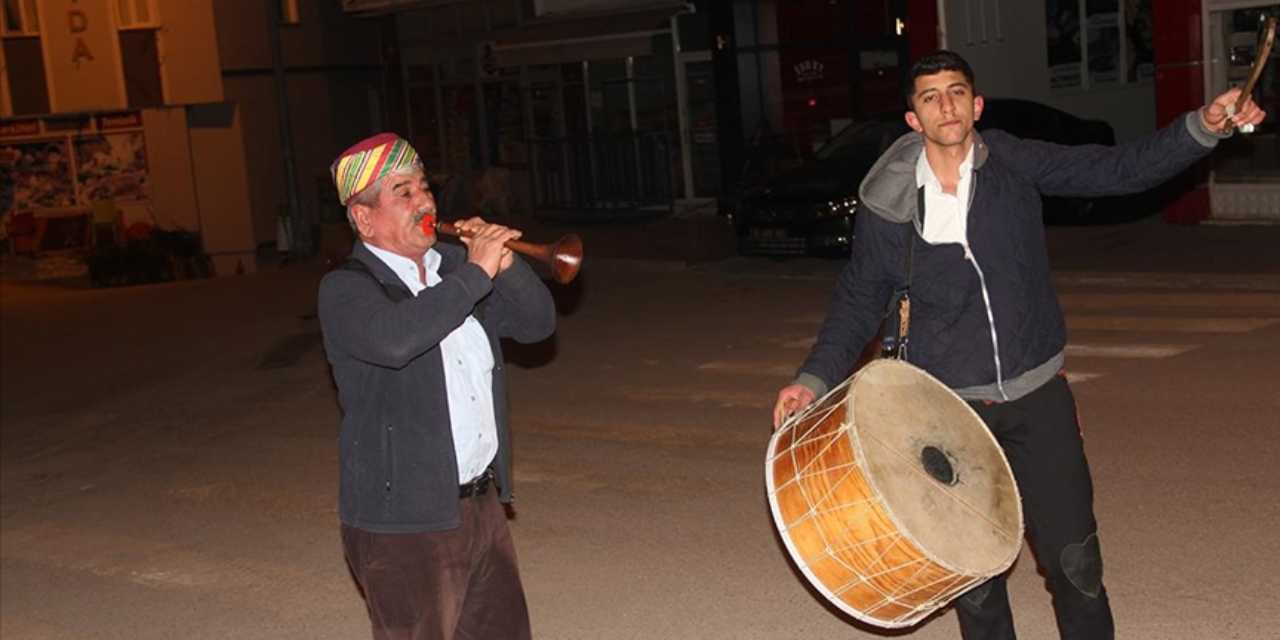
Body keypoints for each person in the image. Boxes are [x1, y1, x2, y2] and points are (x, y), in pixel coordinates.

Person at [771, 50, 1265, 640]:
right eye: (930, 97)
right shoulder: (888, 204)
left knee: (1075, 562)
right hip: (945, 412)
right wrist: (813, 379)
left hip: (1037, 396)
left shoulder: (1013, 162)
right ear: (913, 119)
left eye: (956, 92)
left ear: (976, 105)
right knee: (975, 583)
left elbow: (1116, 170)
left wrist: (1201, 127)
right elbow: (858, 300)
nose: (945, 105)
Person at [318, 132, 556, 640]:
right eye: (402, 192)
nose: (423, 201)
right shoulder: (346, 290)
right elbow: (399, 340)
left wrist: (508, 266)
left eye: (424, 187)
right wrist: (476, 272)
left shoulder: (451, 268)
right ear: (363, 218)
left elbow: (538, 326)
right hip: (402, 521)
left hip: (480, 505)